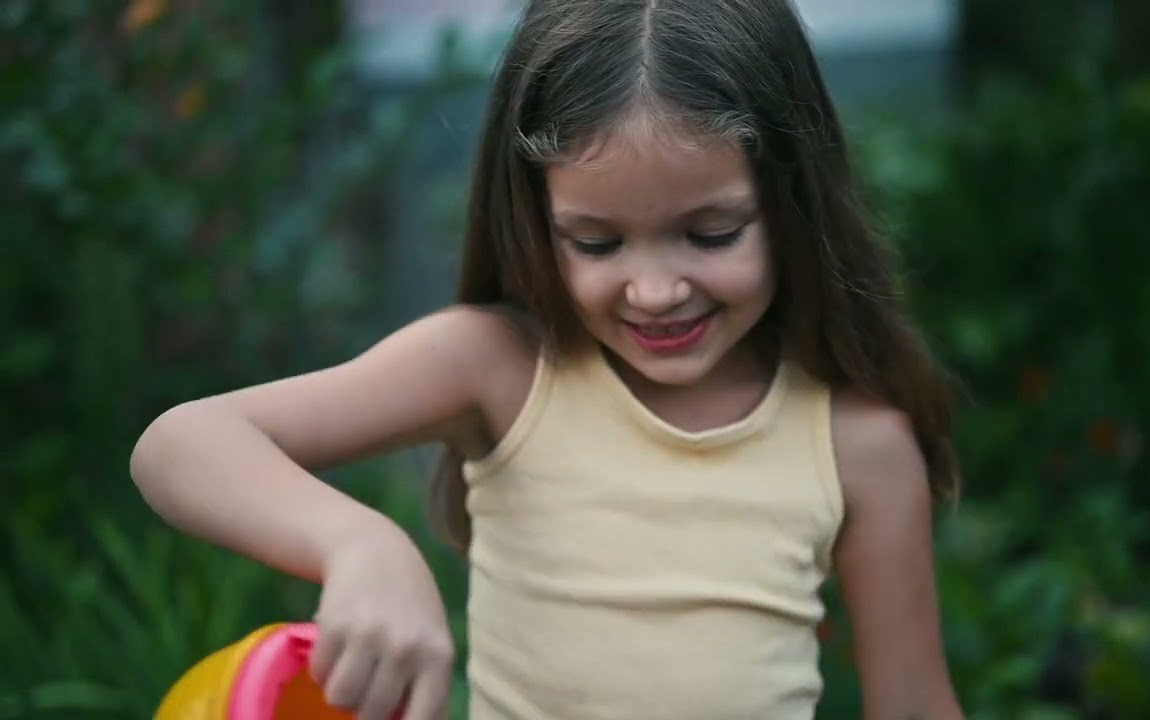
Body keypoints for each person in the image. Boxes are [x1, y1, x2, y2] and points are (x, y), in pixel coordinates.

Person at [130, 0, 966, 718]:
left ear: (793, 202)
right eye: (596, 242)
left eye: (711, 234)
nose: (654, 290)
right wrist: (357, 544)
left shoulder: (858, 441)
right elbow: (183, 443)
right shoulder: (499, 368)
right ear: (535, 221)